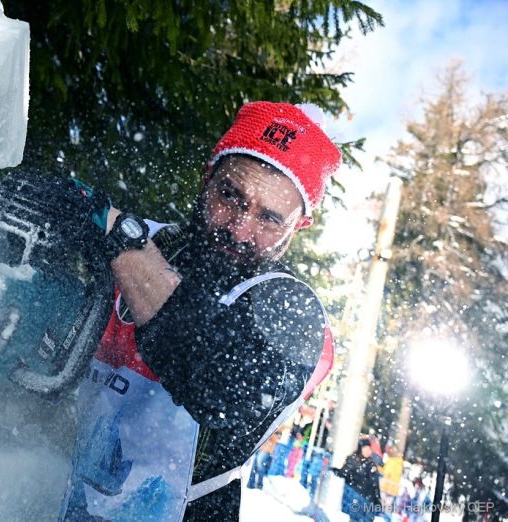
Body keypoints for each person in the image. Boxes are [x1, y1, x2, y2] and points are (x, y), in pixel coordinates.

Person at [58, 101, 341, 521]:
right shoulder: (151, 240)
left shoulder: (293, 312)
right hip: (53, 489)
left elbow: (224, 388)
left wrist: (121, 243)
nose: (240, 229)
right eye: (230, 195)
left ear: (298, 226)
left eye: (269, 218)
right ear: (207, 179)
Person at [332, 437, 384, 522]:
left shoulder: (371, 464)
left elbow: (375, 483)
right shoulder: (353, 460)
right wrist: (335, 470)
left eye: (369, 449)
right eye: (365, 448)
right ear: (361, 448)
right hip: (355, 497)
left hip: (368, 500)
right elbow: (344, 473)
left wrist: (377, 499)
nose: (368, 451)